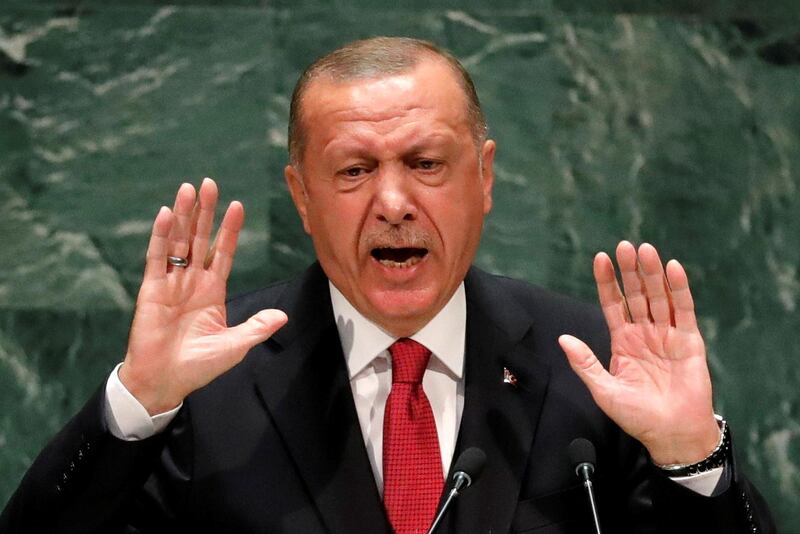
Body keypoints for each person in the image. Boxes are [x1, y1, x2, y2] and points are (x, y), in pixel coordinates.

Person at [0, 37, 774, 534]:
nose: (394, 202)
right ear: (302, 196)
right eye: (354, 170)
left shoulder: (597, 370)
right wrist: (135, 405)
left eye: (426, 164)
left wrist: (691, 460)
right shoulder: (207, 381)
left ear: (486, 178)